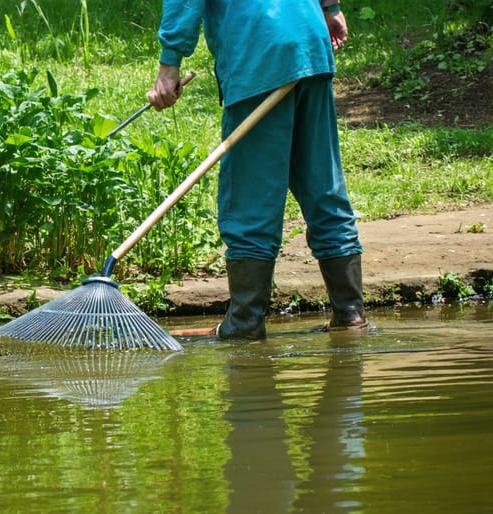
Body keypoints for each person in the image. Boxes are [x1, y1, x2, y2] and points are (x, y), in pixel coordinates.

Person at [150, 0, 369, 339]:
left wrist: (169, 64)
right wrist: (329, 8)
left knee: (250, 200)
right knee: (323, 187)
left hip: (258, 49)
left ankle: (244, 324)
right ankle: (351, 316)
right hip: (310, 40)